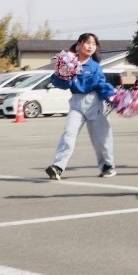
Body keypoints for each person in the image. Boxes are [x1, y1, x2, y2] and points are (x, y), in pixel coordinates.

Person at [44, 33, 118, 179]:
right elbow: (61, 83)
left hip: (94, 102)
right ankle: (58, 166)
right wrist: (62, 76)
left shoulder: (95, 67)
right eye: (87, 43)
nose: (90, 46)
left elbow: (101, 85)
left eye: (93, 44)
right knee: (68, 134)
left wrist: (113, 96)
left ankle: (107, 166)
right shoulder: (69, 62)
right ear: (79, 44)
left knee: (101, 138)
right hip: (76, 103)